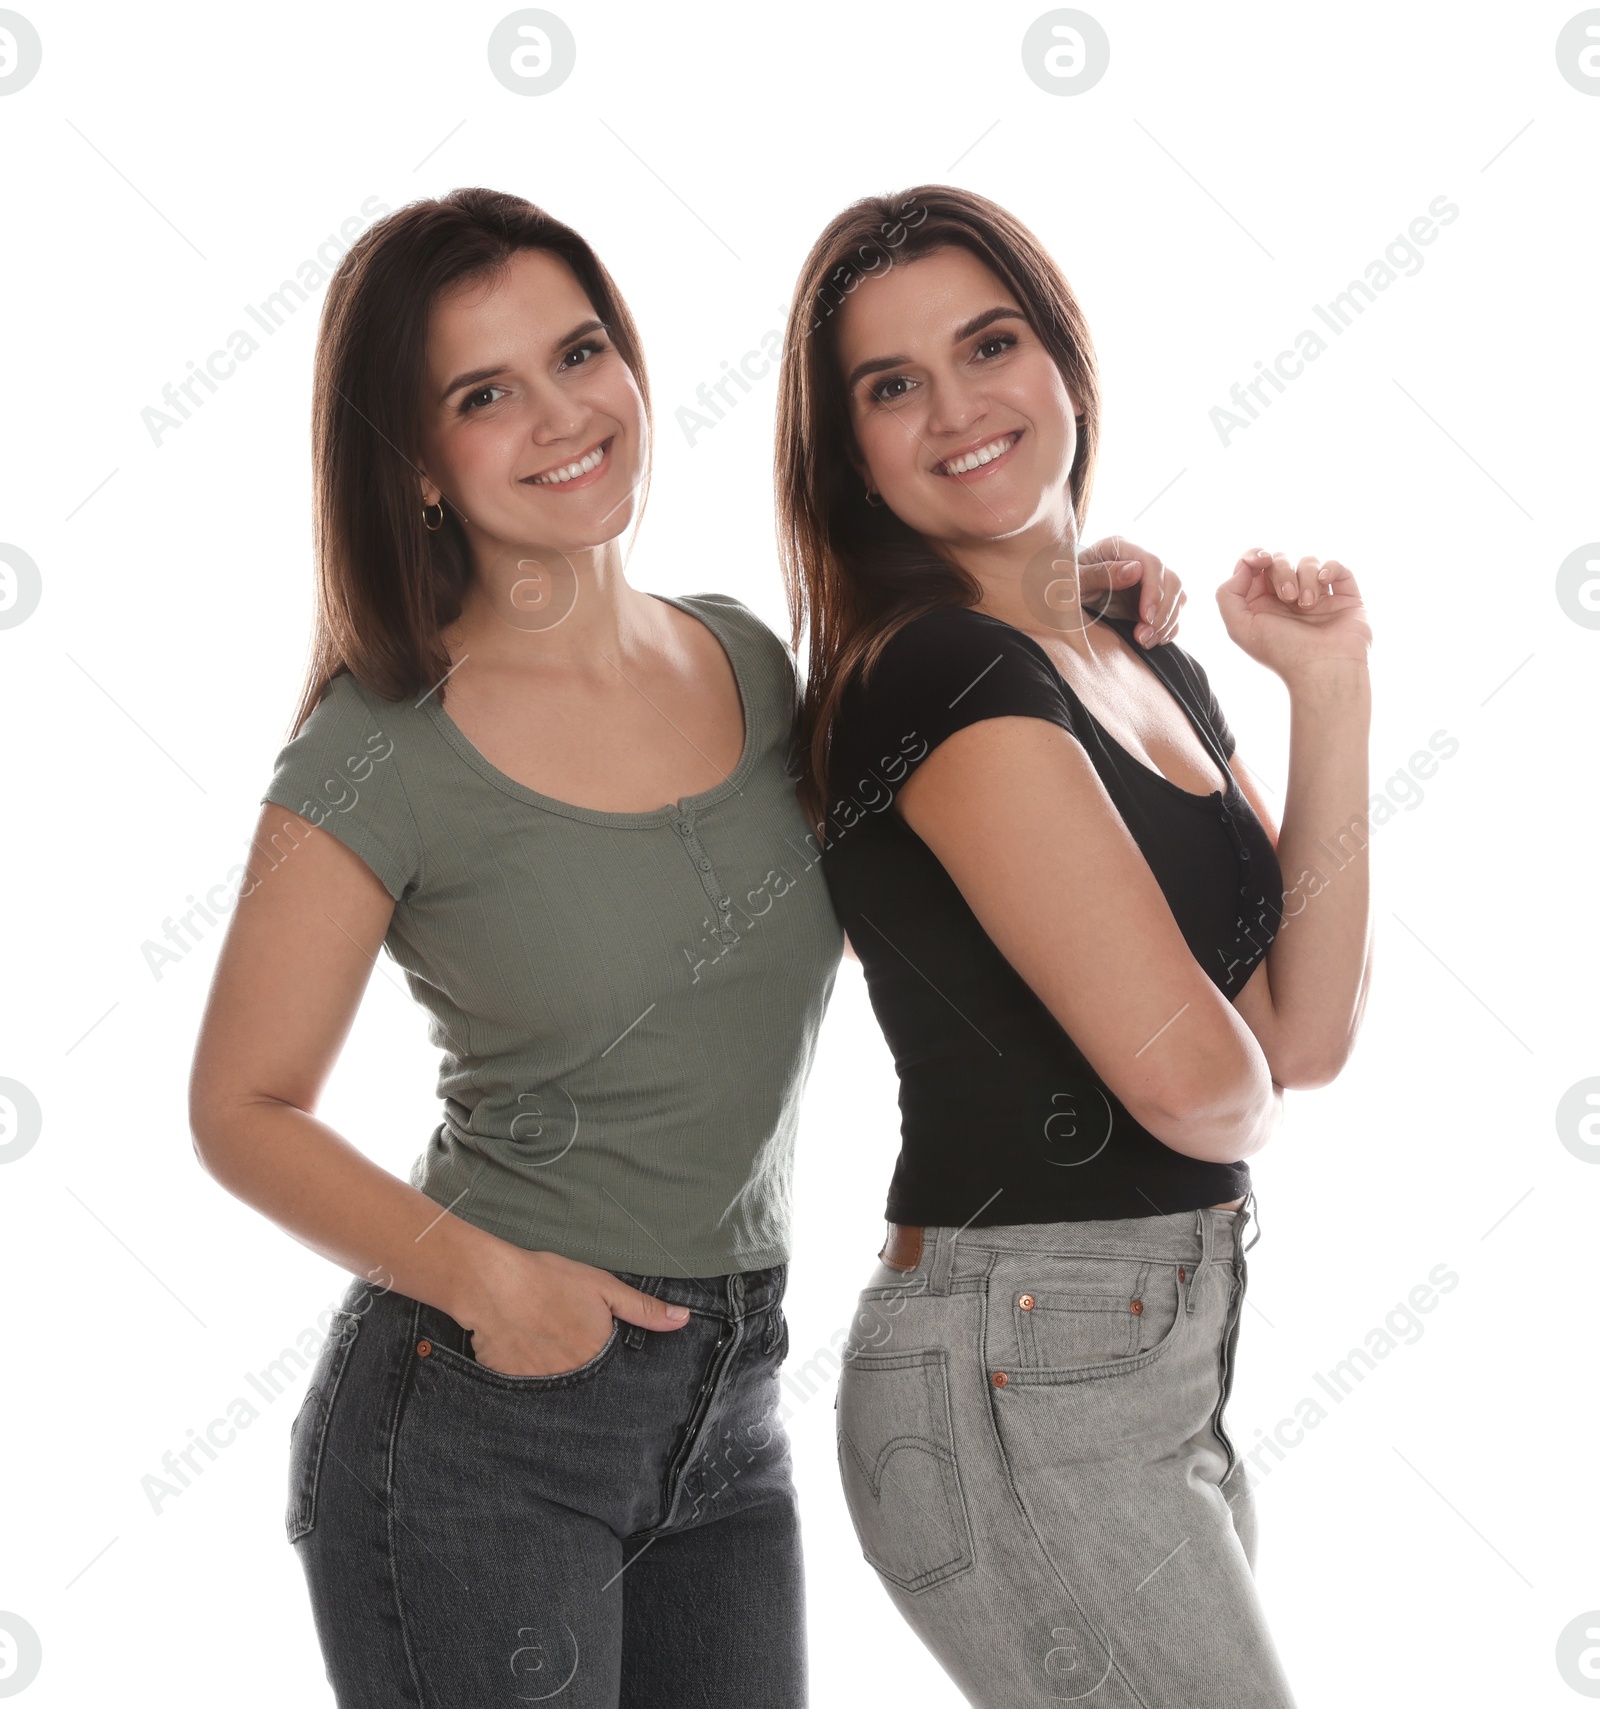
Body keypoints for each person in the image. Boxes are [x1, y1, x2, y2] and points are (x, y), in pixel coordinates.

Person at [186, 186, 1184, 1709]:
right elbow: (240, 1108)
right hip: (481, 1420)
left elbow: (951, 753)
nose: (561, 414)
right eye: (482, 393)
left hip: (735, 1405)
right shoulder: (377, 744)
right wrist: (494, 1286)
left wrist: (1073, 603)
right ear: (418, 463)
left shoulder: (751, 657)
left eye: (581, 353)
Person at [775, 185, 1373, 1707]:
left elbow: (1298, 1035)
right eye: (891, 386)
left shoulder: (1136, 647)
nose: (959, 408)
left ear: (1064, 359)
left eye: (991, 345)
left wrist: (1329, 689)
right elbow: (1196, 1083)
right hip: (1017, 1354)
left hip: (1146, 1347)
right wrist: (1219, 1063)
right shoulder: (938, 669)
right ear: (846, 451)